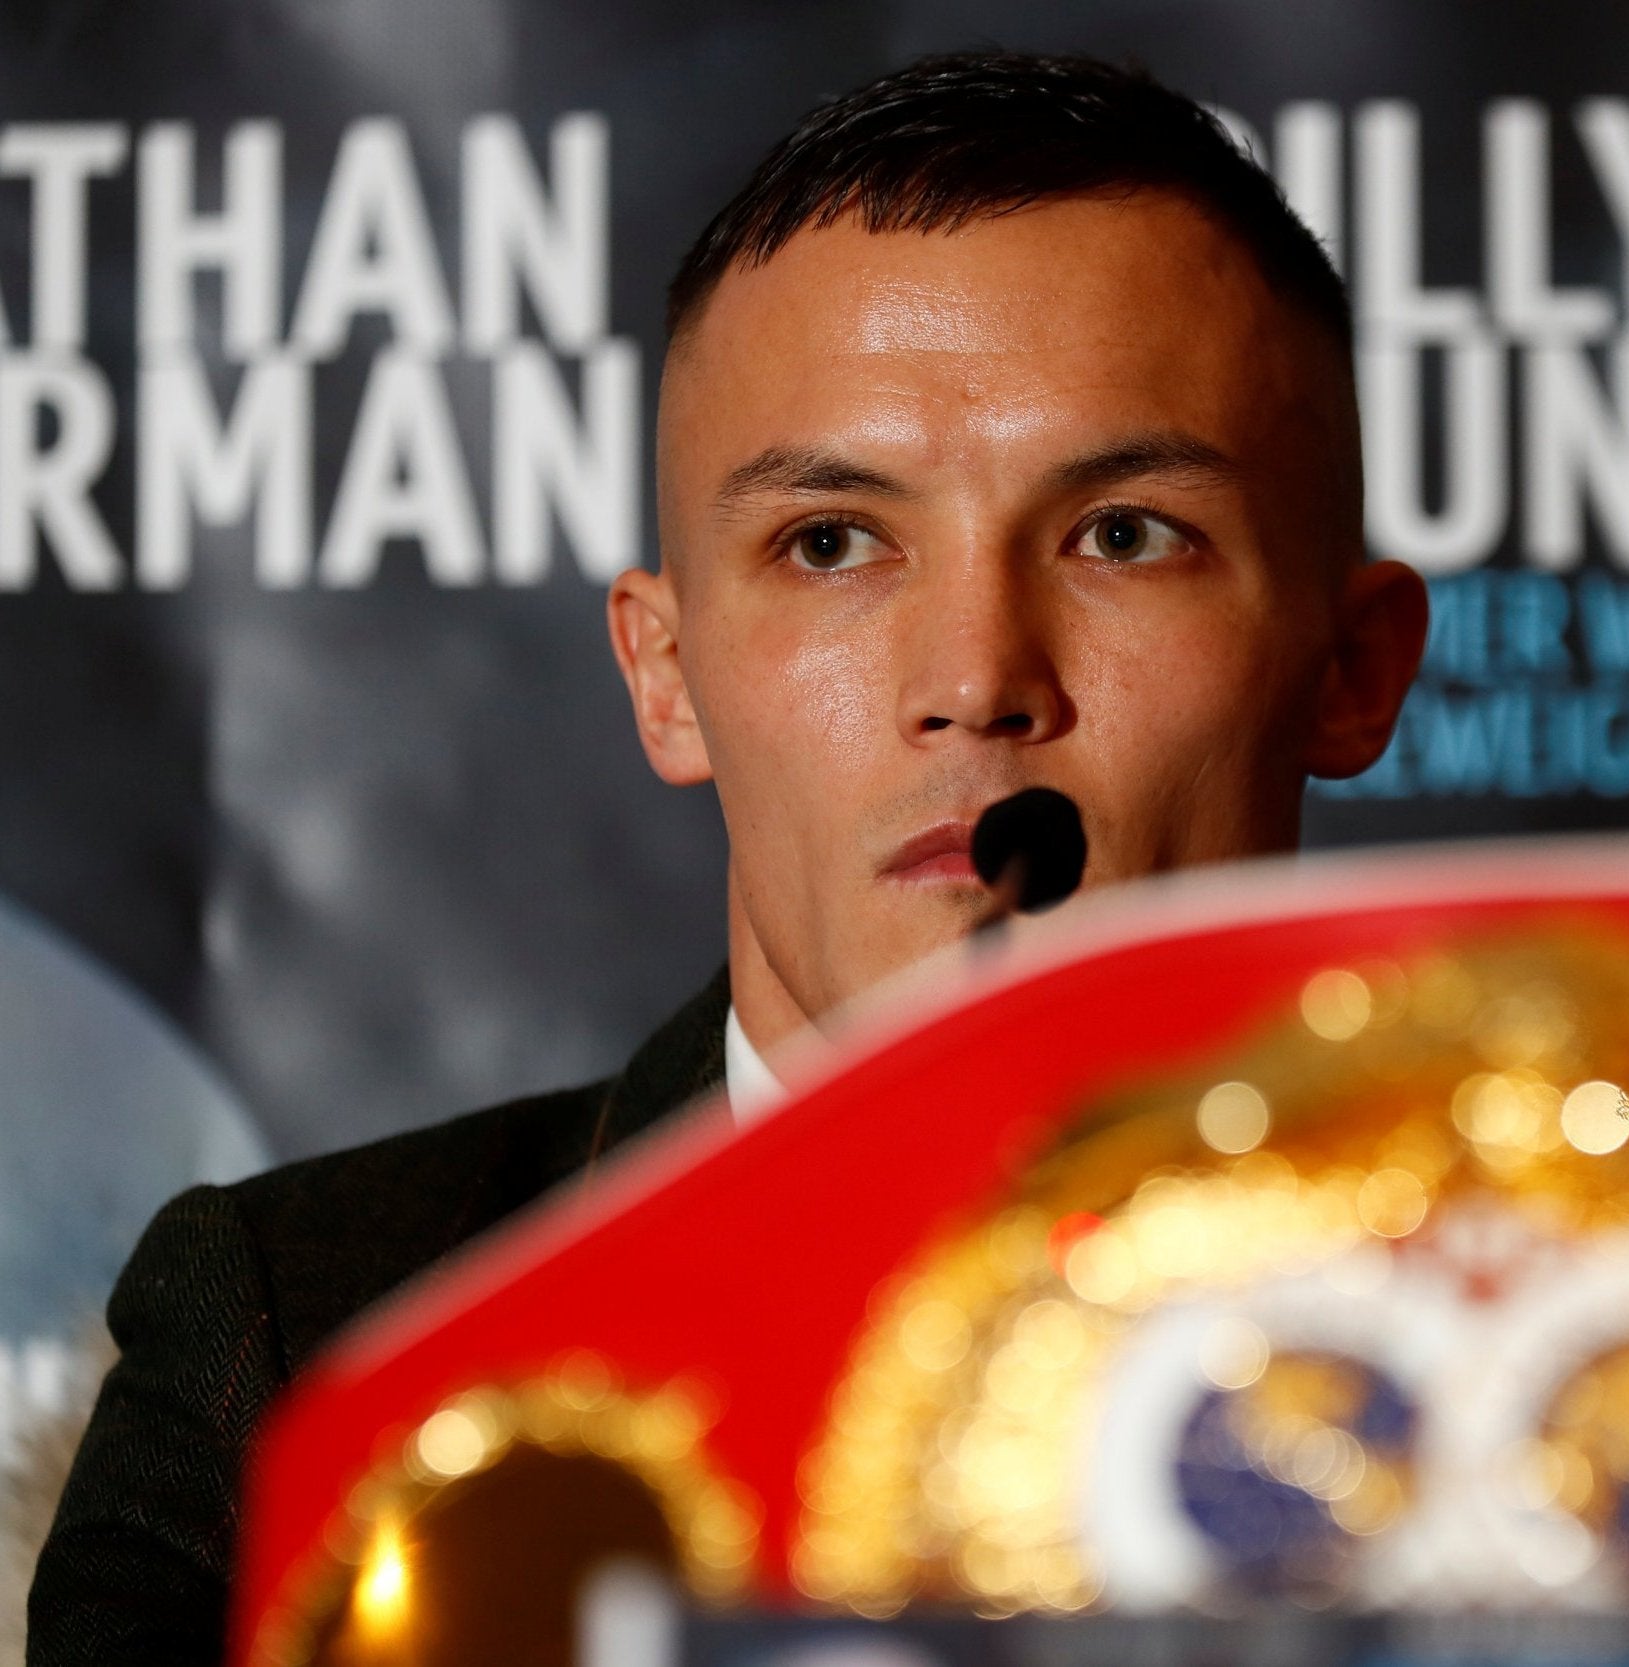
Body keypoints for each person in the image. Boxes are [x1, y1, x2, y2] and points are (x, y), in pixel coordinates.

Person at [26, 50, 1426, 1664]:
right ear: (666, 676)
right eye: (831, 544)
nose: (973, 678)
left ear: (1350, 668)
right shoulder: (305, 1332)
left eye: (1122, 535)